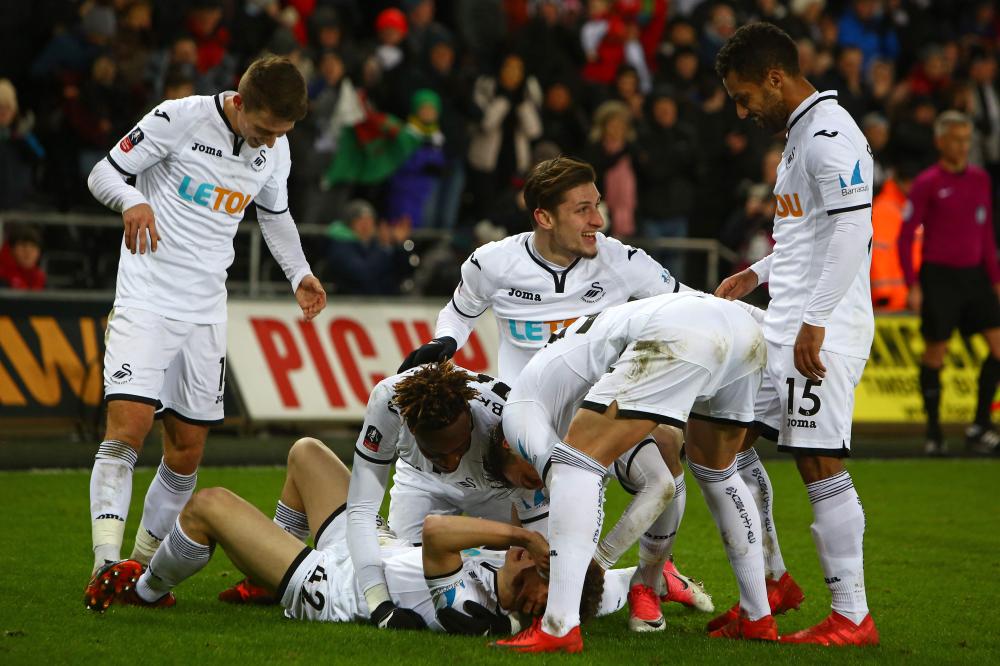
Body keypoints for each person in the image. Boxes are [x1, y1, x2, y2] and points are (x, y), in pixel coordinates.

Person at [397, 156, 707, 624]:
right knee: (547, 569)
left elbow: (689, 305)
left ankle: (649, 578)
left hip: (603, 413)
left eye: (597, 206)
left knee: (664, 474)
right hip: (530, 429)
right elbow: (458, 313)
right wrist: (446, 342)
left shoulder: (622, 262)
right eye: (583, 210)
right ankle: (625, 582)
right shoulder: (494, 263)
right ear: (544, 217)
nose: (598, 222)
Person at [83, 56, 327, 603]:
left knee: (187, 449)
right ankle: (105, 561)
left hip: (206, 312)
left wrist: (300, 273)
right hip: (146, 298)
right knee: (128, 427)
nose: (269, 141)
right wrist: (133, 199)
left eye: (280, 134)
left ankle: (139, 571)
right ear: (239, 103)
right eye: (263, 129)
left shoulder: (275, 148)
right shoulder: (179, 118)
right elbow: (103, 171)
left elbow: (276, 214)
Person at [84, 437, 616, 633]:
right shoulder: (510, 582)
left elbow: (435, 533)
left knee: (208, 505)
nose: (535, 559)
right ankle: (259, 579)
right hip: (369, 549)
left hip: (332, 584)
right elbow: (606, 587)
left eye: (544, 572)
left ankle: (146, 589)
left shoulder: (475, 611)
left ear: (541, 602)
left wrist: (516, 537)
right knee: (307, 454)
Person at [714, 22, 879, 646]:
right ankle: (767, 589)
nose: (741, 108)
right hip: (783, 325)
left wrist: (816, 322)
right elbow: (805, 235)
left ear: (776, 78)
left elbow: (851, 233)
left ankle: (852, 616)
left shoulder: (831, 136)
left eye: (744, 94)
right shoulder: (800, 136)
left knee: (818, 462)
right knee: (719, 440)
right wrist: (756, 273)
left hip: (821, 333)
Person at [492, 292, 774, 653]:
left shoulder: (518, 412)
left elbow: (568, 474)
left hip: (680, 331)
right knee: (719, 472)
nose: (537, 485)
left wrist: (595, 562)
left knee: (575, 464)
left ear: (506, 445)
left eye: (526, 478)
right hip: (741, 330)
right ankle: (757, 616)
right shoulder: (587, 403)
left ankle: (558, 627)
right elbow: (659, 483)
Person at [898, 111, 1000, 456]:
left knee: (998, 348)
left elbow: (985, 233)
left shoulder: (980, 179)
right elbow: (905, 235)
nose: (963, 146)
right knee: (935, 354)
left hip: (974, 277)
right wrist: (913, 284)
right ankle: (934, 432)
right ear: (940, 141)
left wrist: (995, 278)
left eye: (967, 139)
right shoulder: (928, 182)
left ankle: (979, 425)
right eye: (956, 139)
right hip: (939, 276)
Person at [0, 225, 46, 290]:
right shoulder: (2, 276)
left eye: (33, 246)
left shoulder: (40, 278)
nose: (28, 251)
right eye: (23, 245)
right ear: (12, 249)